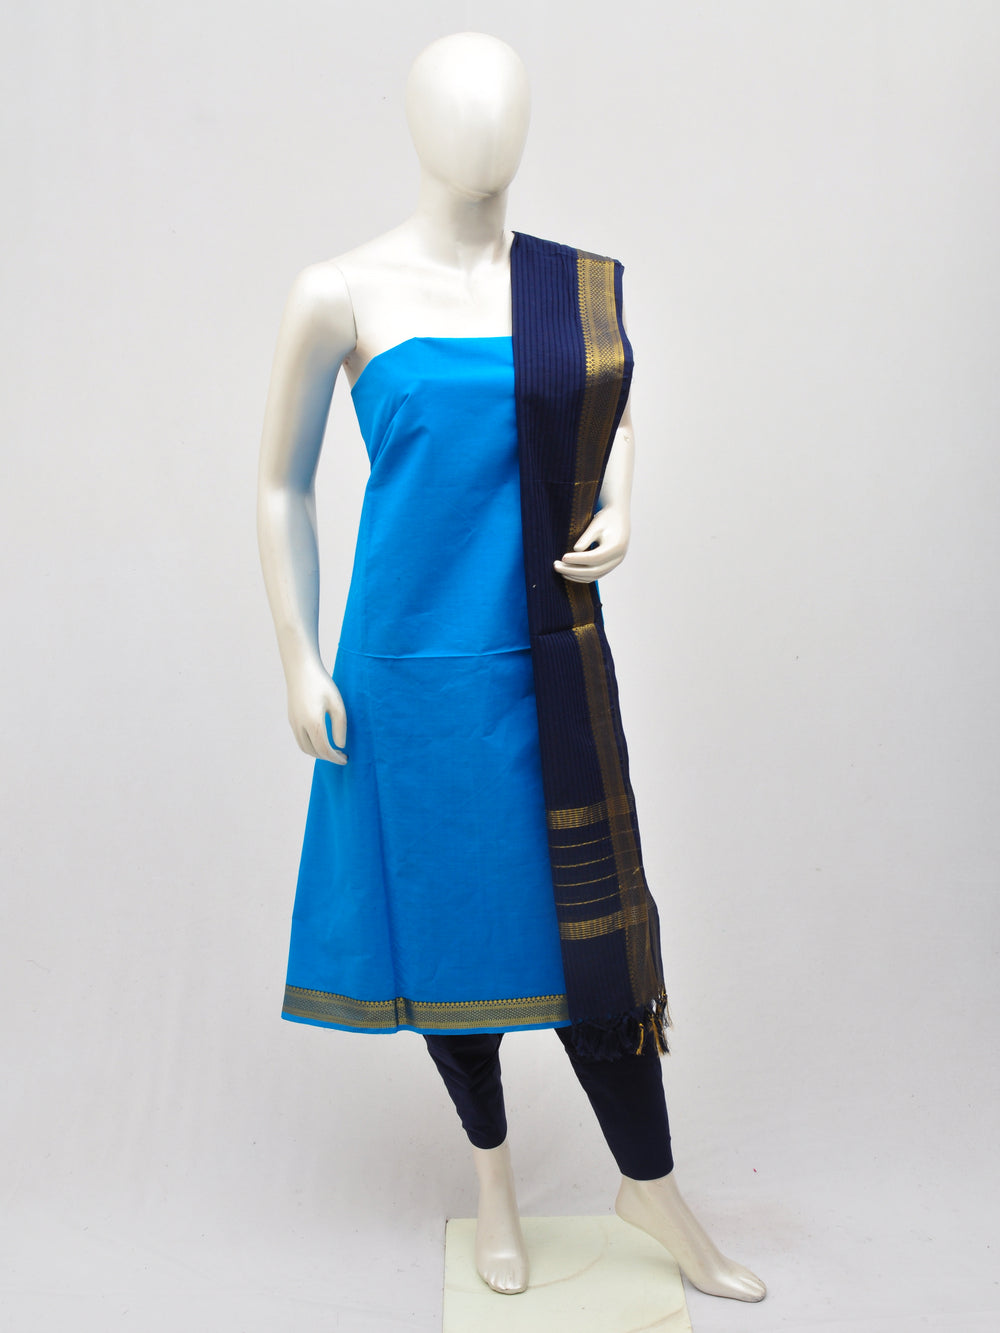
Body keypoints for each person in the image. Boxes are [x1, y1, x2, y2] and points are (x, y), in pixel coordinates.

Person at [257, 30, 765, 1305]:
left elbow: (612, 407)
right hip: (406, 671)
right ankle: (492, 1175)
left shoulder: (570, 292)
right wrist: (298, 658)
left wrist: (625, 500)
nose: (480, 128)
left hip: (543, 665)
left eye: (502, 105)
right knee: (451, 930)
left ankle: (648, 1182)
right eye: (455, 105)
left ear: (527, 123)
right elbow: (278, 486)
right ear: (414, 123)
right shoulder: (341, 289)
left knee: (590, 943)